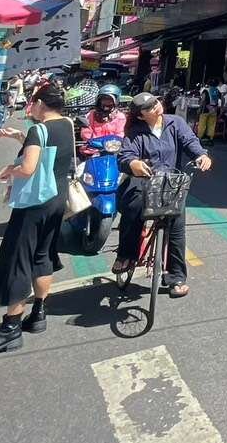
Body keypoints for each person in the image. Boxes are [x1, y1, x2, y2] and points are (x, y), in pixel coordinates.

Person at [0, 83, 75, 354]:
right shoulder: (67, 124)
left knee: (19, 261)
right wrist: (21, 138)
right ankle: (38, 314)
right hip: (57, 200)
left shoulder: (38, 130)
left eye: (33, 102)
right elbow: (49, 152)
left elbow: (29, 168)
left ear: (41, 103)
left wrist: (9, 170)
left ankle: (10, 328)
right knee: (42, 257)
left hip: (34, 204)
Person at [113, 92, 212, 298]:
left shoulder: (175, 123)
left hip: (170, 183)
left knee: (176, 227)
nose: (156, 107)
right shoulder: (135, 132)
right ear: (140, 115)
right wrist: (133, 163)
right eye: (149, 107)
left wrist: (201, 155)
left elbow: (190, 141)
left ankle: (176, 277)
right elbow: (125, 156)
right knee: (133, 208)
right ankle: (126, 255)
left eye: (156, 102)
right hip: (144, 182)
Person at [79, 84, 127, 148]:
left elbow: (120, 135)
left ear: (116, 101)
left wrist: (108, 145)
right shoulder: (91, 114)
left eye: (109, 99)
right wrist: (96, 143)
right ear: (99, 100)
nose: (106, 102)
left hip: (113, 148)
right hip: (92, 148)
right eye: (104, 99)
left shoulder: (120, 117)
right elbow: (86, 134)